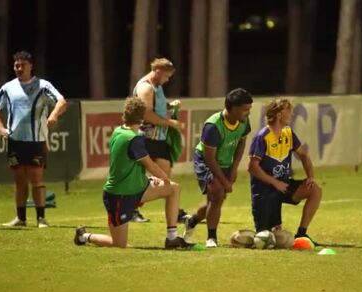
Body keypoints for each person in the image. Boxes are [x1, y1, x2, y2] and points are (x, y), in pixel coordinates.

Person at [73, 97, 192, 249]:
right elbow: (150, 165)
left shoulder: (119, 130)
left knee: (174, 189)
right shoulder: (133, 139)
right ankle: (84, 236)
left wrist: (151, 178)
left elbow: (132, 162)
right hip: (119, 195)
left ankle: (172, 239)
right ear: (142, 118)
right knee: (119, 244)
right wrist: (164, 178)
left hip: (138, 188)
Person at [0, 51, 67, 228]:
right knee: (19, 180)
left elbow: (62, 101)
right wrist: (1, 128)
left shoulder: (43, 85)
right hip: (15, 141)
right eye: (16, 65)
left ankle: (41, 218)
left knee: (36, 178)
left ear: (31, 66)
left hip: (35, 141)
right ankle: (21, 218)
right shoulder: (8, 87)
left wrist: (53, 115)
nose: (18, 68)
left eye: (22, 65)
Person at [182, 88, 253, 248]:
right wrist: (225, 181)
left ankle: (192, 220)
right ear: (233, 108)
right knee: (219, 192)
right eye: (245, 109)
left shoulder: (243, 122)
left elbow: (241, 142)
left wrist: (234, 169)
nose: (248, 113)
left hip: (225, 161)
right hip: (206, 161)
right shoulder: (213, 126)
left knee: (215, 200)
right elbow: (209, 158)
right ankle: (211, 238)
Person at [248, 98, 322, 243]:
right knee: (266, 239)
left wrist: (310, 177)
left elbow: (304, 155)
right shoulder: (262, 137)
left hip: (284, 186)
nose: (292, 114)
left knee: (315, 190)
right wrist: (275, 183)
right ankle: (242, 237)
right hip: (264, 192)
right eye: (289, 111)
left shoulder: (288, 133)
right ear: (279, 114)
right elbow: (252, 167)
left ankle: (301, 234)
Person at [132, 57, 188, 223]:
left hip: (159, 138)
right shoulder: (145, 87)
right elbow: (146, 114)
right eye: (166, 76)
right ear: (158, 71)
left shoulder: (157, 87)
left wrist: (170, 107)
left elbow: (157, 109)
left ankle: (174, 210)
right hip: (145, 137)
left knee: (165, 175)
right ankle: (131, 209)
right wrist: (171, 123)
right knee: (139, 175)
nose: (167, 80)